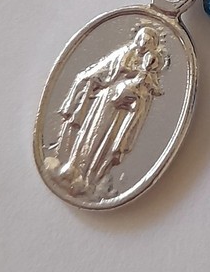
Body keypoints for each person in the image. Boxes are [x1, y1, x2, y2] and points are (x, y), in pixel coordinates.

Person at [46, 25, 168, 198]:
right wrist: (90, 81)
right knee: (90, 134)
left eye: (147, 42)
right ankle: (73, 168)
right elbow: (102, 71)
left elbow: (153, 90)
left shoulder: (150, 68)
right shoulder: (125, 54)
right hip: (105, 102)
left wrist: (141, 80)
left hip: (124, 112)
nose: (142, 43)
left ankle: (90, 178)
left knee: (107, 143)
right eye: (141, 39)